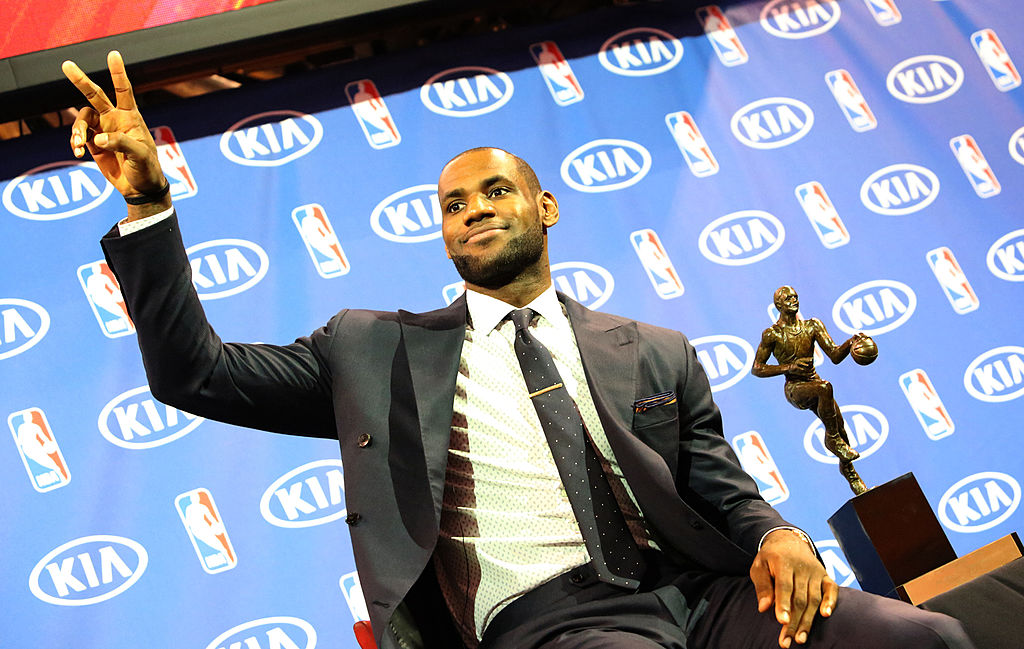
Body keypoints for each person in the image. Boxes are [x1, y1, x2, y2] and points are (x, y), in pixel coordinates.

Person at [61, 51, 973, 649]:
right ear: (445, 238)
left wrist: (777, 532)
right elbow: (195, 373)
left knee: (927, 637)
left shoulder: (652, 348)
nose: (474, 209)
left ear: (547, 209)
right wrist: (148, 205)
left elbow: (719, 483)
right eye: (454, 205)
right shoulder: (372, 349)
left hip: (704, 594)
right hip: (549, 618)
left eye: (496, 190)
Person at [752, 286, 869, 495]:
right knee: (825, 389)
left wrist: (850, 344)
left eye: (795, 297)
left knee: (842, 430)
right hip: (795, 388)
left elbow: (834, 355)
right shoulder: (773, 334)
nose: (793, 300)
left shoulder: (812, 326)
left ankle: (852, 477)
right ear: (778, 305)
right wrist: (788, 367)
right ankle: (831, 439)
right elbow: (757, 368)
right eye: (788, 298)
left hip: (815, 383)